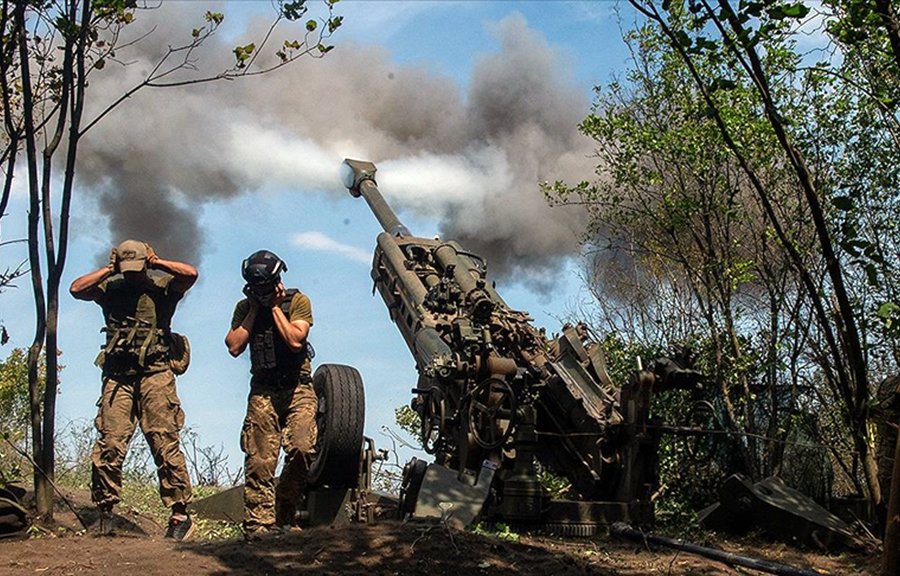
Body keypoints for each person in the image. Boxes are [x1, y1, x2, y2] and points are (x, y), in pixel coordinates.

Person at [69, 239, 197, 541]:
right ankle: (105, 512)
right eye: (126, 269)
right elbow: (76, 289)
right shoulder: (110, 289)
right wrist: (108, 269)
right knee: (109, 444)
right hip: (118, 377)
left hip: (156, 374)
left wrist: (157, 262)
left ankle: (180, 515)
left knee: (164, 443)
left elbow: (190, 274)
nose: (131, 275)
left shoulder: (162, 287)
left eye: (136, 268)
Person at [224, 250, 317, 537]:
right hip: (263, 390)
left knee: (302, 448)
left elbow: (294, 340)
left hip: (297, 387)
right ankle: (258, 525)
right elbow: (234, 346)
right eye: (256, 288)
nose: (262, 292)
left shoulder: (297, 302)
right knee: (260, 459)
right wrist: (254, 310)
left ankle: (284, 513)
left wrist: (275, 308)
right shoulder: (244, 308)